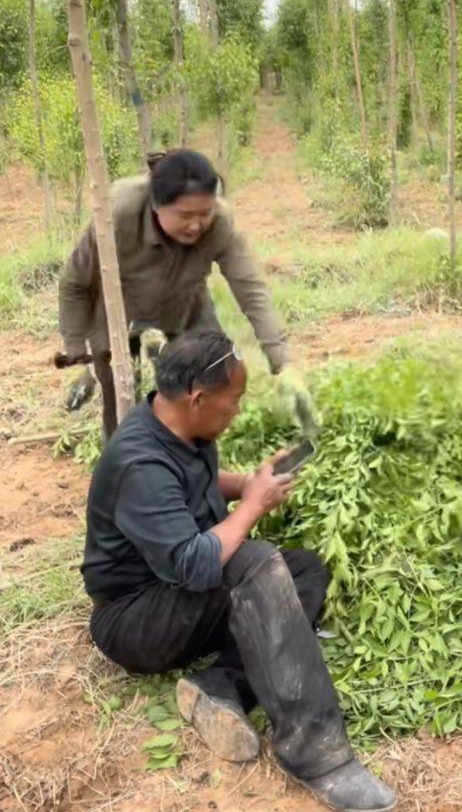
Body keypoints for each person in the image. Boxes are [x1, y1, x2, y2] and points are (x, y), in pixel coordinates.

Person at [81, 330, 396, 812]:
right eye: (235, 401)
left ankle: (219, 685)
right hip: (136, 620)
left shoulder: (185, 428)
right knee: (253, 560)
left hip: (177, 596)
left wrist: (248, 483)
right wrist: (252, 507)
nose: (238, 411)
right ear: (198, 397)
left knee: (305, 569)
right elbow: (194, 564)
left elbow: (199, 483)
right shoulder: (138, 462)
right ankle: (319, 755)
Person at [59, 148, 311, 438]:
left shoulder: (219, 223)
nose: (196, 225)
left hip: (185, 305)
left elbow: (251, 290)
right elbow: (75, 284)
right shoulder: (117, 215)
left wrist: (282, 363)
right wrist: (79, 354)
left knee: (213, 377)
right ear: (156, 205)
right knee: (121, 406)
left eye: (205, 213)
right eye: (185, 215)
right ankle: (130, 464)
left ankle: (193, 452)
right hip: (118, 312)